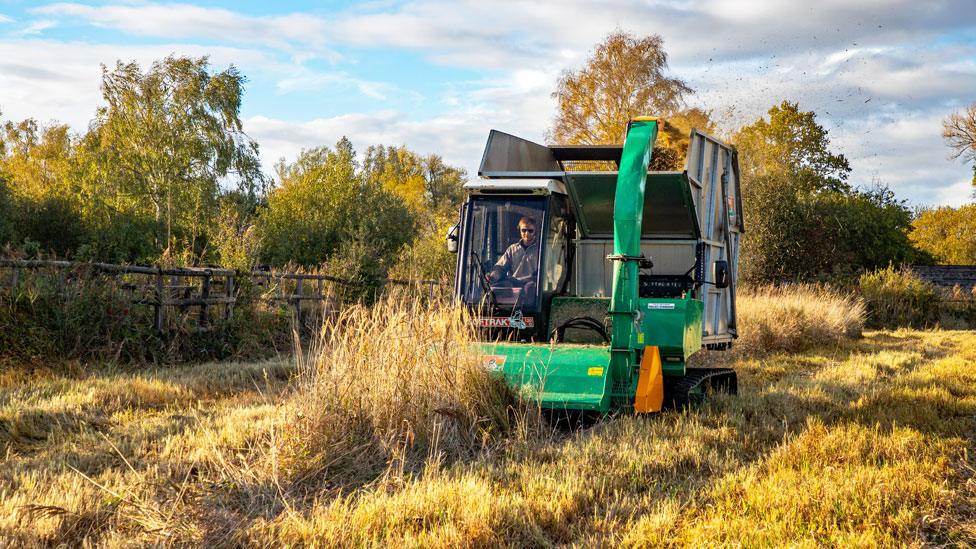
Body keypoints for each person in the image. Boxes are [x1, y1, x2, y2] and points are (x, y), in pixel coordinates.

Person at [488, 216, 539, 289]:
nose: (527, 233)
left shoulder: (539, 250)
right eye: (524, 230)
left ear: (535, 231)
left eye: (530, 230)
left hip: (533, 289)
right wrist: (493, 276)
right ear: (519, 230)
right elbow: (501, 268)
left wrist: (534, 282)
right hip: (514, 288)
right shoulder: (512, 249)